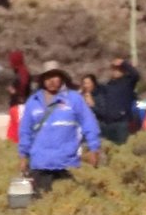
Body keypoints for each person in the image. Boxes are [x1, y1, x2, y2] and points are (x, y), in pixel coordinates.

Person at [16, 60, 101, 195]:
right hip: (40, 164)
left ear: (61, 78)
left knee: (69, 202)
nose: (51, 81)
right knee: (42, 202)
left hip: (67, 163)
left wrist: (94, 148)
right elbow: (25, 130)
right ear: (42, 80)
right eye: (47, 77)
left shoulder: (74, 99)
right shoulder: (33, 101)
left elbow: (89, 123)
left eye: (55, 76)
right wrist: (23, 155)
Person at [94, 57, 141, 145]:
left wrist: (123, 63)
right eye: (114, 69)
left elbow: (136, 75)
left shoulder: (127, 82)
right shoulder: (108, 85)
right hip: (108, 124)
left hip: (122, 123)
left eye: (119, 69)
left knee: (122, 148)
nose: (116, 71)